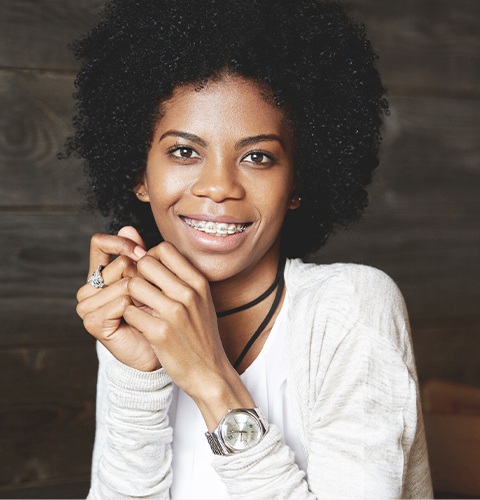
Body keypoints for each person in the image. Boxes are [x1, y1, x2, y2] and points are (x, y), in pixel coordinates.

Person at [68, 0, 433, 497]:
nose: (218, 186)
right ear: (140, 175)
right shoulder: (142, 317)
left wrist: (211, 379)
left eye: (258, 157)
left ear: (298, 181)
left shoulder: (351, 307)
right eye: (184, 151)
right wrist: (137, 375)